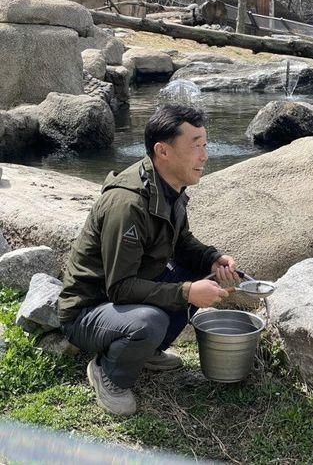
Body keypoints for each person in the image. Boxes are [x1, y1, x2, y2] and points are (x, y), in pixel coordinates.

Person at [57, 104, 239, 416]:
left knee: (199, 275)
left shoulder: (169, 186)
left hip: (123, 297)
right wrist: (185, 293)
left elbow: (181, 242)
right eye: (196, 146)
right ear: (163, 151)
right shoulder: (127, 203)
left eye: (205, 145)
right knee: (150, 321)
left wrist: (212, 259)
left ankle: (145, 350)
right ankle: (109, 372)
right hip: (88, 310)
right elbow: (120, 288)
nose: (205, 156)